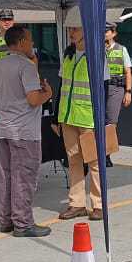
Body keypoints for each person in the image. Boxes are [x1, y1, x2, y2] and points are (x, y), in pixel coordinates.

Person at [0, 25, 54, 237]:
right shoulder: (26, 66)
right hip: (24, 131)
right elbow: (33, 99)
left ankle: (6, 219)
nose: (33, 44)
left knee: (6, 175)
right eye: (30, 40)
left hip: (4, 128)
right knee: (24, 177)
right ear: (20, 43)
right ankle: (23, 223)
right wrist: (48, 93)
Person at [55, 21, 104, 221]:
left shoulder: (97, 57)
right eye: (69, 29)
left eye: (75, 29)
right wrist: (55, 117)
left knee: (94, 162)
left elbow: (105, 88)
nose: (71, 32)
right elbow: (61, 86)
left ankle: (98, 205)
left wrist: (104, 120)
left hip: (88, 118)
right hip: (67, 117)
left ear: (86, 30)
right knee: (73, 161)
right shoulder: (68, 55)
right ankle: (77, 204)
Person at [103, 22, 132, 125]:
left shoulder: (121, 49)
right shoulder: (97, 49)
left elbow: (128, 72)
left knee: (111, 122)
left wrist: (128, 92)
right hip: (100, 88)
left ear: (114, 33)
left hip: (115, 88)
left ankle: (110, 136)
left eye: (106, 31)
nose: (103, 34)